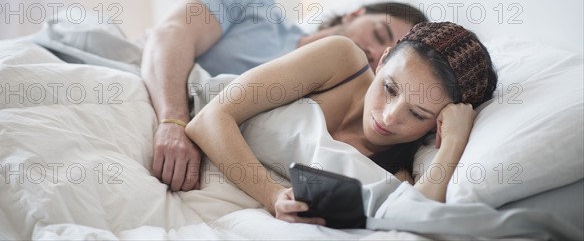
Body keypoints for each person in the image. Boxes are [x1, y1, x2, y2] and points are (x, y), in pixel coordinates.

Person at [185, 21, 497, 225]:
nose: (388, 117)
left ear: (436, 124)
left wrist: (454, 140)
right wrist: (272, 194)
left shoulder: (401, 171)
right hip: (183, 110)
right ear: (384, 60)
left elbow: (421, 216)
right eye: (389, 88)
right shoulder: (340, 60)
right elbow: (209, 118)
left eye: (417, 114)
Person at [141, 0, 428, 191]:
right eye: (379, 34)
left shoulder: (340, 101)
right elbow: (169, 34)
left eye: (387, 56)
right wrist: (172, 120)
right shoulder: (253, 3)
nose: (375, 54)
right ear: (354, 13)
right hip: (151, 94)